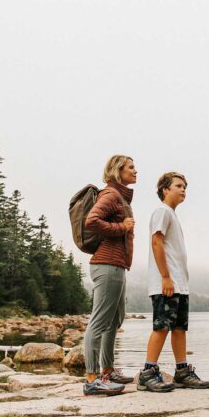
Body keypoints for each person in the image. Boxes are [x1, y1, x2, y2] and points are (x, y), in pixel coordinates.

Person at [137, 172, 209, 392]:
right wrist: (166, 277)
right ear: (165, 189)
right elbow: (156, 243)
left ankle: (182, 372)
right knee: (162, 327)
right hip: (166, 283)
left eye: (185, 187)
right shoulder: (162, 211)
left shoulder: (171, 214)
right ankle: (148, 373)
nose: (183, 190)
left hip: (179, 284)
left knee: (179, 328)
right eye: (178, 185)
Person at [82, 155, 137, 396]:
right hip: (107, 265)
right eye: (131, 167)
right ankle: (92, 379)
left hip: (117, 265)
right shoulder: (111, 195)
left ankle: (108, 371)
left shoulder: (121, 197)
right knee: (99, 321)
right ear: (118, 171)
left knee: (114, 321)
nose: (136, 171)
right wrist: (121, 228)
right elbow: (91, 221)